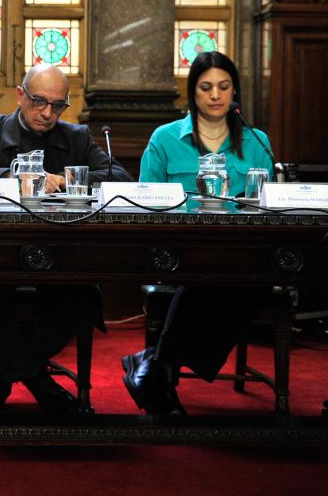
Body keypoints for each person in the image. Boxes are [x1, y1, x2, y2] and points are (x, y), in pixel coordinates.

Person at [0, 63, 132, 413]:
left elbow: (120, 178)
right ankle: (39, 381)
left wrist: (66, 179)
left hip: (61, 255)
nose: (48, 113)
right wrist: (14, 178)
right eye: (39, 102)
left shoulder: (76, 136)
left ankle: (7, 371)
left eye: (58, 105)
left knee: (86, 300)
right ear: (20, 95)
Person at [122, 51, 274, 414]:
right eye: (206, 87)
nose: (215, 95)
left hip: (238, 250)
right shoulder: (165, 139)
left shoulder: (257, 142)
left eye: (224, 86)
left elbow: (266, 205)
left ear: (234, 91)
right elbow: (146, 201)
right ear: (193, 92)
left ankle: (156, 362)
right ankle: (159, 366)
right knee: (210, 272)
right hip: (178, 250)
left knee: (254, 278)